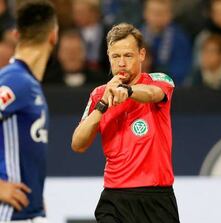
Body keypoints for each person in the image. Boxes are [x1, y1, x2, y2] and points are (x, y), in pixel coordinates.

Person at [71, 23, 180, 223]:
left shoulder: (159, 80)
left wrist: (128, 91)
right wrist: (103, 104)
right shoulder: (98, 94)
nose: (121, 63)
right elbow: (78, 143)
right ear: (108, 57)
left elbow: (152, 94)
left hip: (156, 198)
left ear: (142, 55)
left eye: (128, 56)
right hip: (114, 197)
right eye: (116, 56)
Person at [0, 0, 58, 222]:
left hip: (27, 213)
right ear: (53, 36)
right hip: (9, 214)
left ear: (16, 35)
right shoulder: (15, 80)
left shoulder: (28, 83)